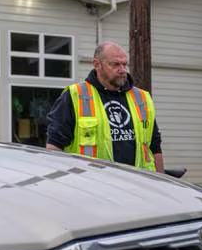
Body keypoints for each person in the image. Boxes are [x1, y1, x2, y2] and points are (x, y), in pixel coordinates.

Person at [46, 41, 162, 171]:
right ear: (97, 64)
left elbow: (155, 145)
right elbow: (54, 147)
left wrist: (162, 181)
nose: (123, 70)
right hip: (93, 185)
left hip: (138, 184)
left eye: (124, 64)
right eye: (115, 64)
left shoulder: (141, 98)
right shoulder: (75, 95)